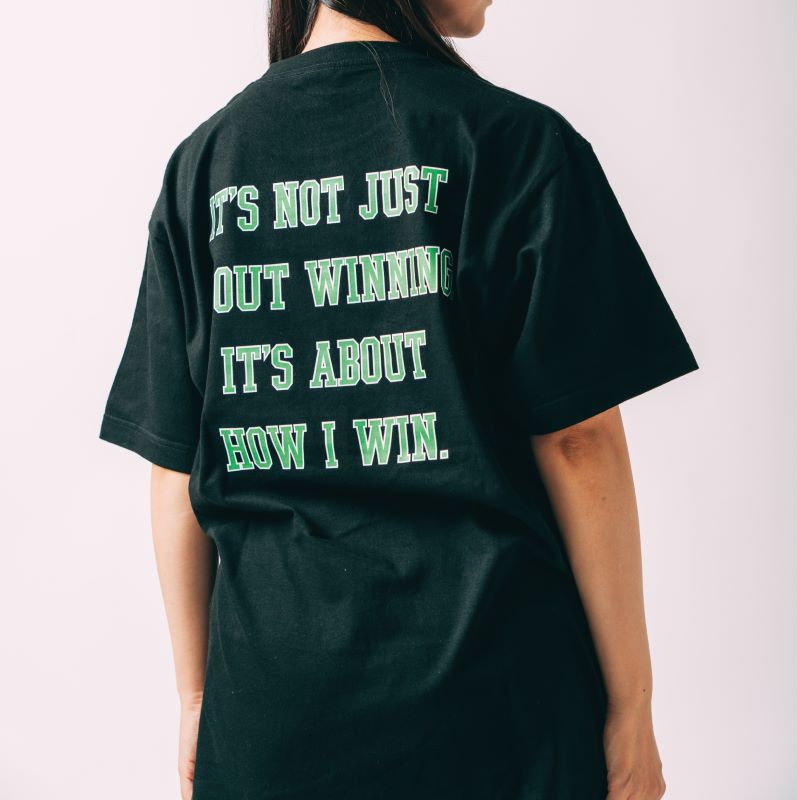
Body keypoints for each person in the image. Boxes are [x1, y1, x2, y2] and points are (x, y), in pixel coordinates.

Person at [98, 1, 700, 798]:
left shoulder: (203, 164)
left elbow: (176, 469)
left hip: (272, 715)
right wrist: (632, 705)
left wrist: (196, 699)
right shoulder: (518, 144)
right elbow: (576, 441)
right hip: (495, 709)